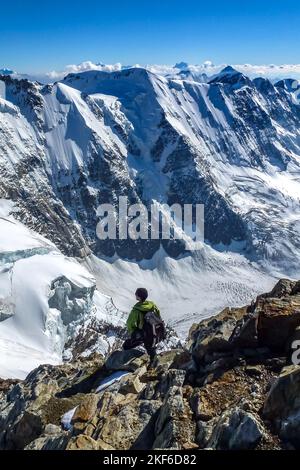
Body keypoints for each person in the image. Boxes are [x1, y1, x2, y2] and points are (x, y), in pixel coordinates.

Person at [123, 288, 165, 366]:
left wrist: (133, 332)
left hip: (144, 333)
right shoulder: (152, 305)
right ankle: (153, 359)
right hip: (155, 331)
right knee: (149, 345)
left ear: (139, 297)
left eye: (136, 294)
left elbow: (130, 323)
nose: (135, 294)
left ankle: (126, 360)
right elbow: (158, 315)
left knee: (126, 345)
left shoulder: (136, 309)